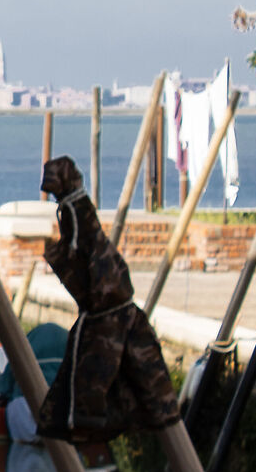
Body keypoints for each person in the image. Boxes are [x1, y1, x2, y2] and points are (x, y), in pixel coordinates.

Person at [32, 155, 181, 443]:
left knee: (112, 391)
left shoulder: (81, 225)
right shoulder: (77, 222)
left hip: (109, 322)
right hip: (107, 318)